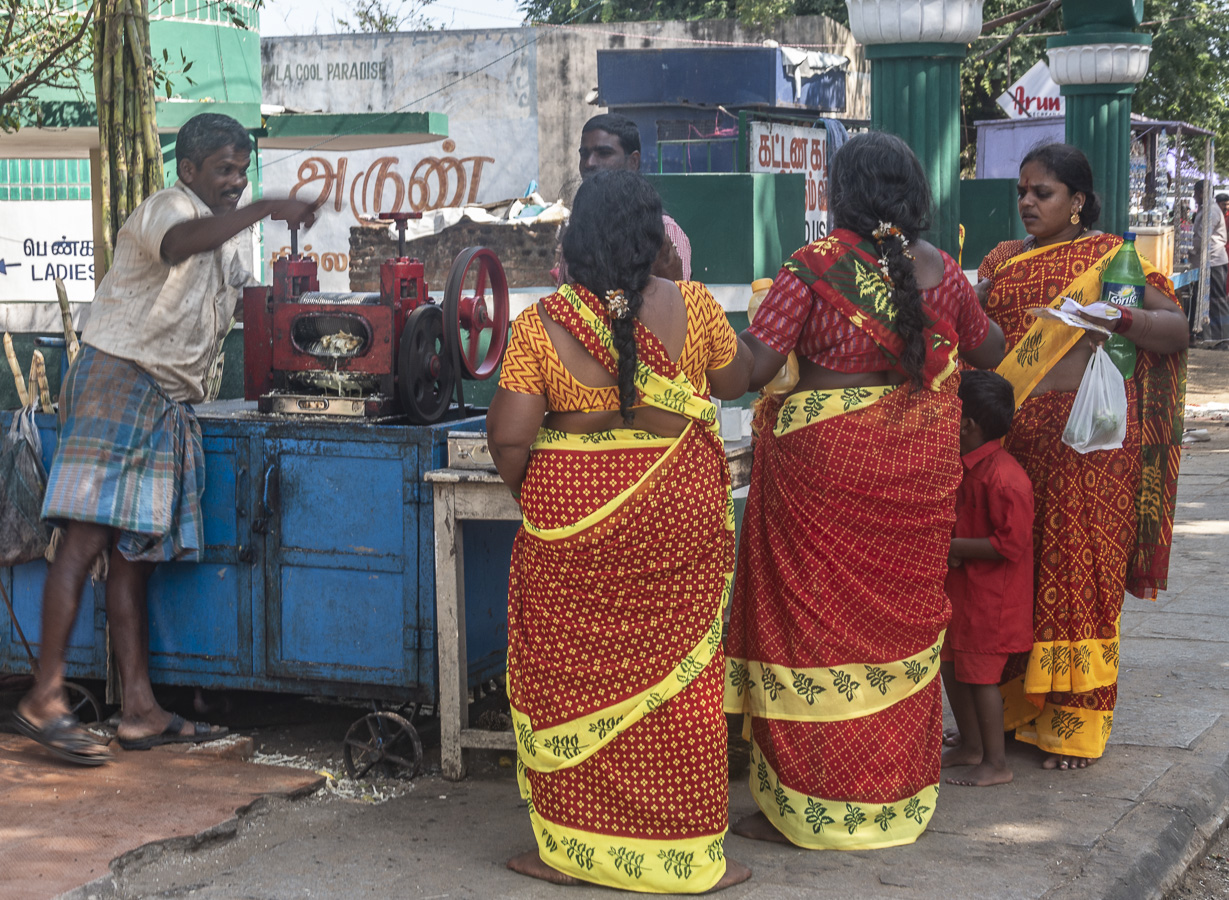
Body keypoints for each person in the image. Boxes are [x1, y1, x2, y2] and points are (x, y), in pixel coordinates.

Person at [724, 131, 1005, 849]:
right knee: (898, 621)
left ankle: (805, 800)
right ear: (913, 194)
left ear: (841, 195)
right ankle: (889, 795)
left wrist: (699, 332)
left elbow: (756, 365)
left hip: (823, 467)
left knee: (811, 624)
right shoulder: (941, 270)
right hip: (913, 465)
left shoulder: (814, 267)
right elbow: (991, 352)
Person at [13, 113, 319, 765]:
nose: (235, 183)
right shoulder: (167, 208)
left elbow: (246, 293)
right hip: (118, 378)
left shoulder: (228, 243)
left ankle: (140, 712)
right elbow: (180, 244)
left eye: (243, 171)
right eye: (224, 171)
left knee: (133, 559)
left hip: (164, 398)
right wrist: (266, 206)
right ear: (189, 171)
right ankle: (44, 696)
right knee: (85, 540)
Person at [488, 169, 753, 892]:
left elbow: (510, 440)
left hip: (575, 524)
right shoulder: (694, 307)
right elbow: (733, 385)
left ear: (574, 244)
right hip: (681, 519)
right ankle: (689, 852)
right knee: (683, 679)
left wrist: (543, 502)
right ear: (652, 241)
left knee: (571, 675)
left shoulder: (540, 325)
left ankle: (572, 850)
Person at [976, 142, 1187, 770]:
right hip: (1011, 439)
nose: (1027, 203)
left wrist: (1117, 321)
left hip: (1086, 442)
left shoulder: (1112, 258)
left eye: (1042, 193)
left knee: (1077, 572)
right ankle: (1011, 711)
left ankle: (1074, 721)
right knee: (1014, 570)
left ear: (1079, 202)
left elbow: (1175, 328)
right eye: (1022, 191)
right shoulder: (1001, 261)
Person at [940, 369, 1034, 788]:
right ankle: (972, 746)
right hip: (963, 595)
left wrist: (957, 548)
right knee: (950, 668)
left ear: (967, 425)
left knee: (980, 679)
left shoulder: (1004, 477)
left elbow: (1010, 544)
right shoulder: (966, 467)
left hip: (991, 602)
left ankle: (996, 762)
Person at [578, 113, 691, 281]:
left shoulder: (665, 233)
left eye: (603, 153)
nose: (589, 163)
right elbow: (564, 303)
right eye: (584, 154)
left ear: (633, 162)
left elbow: (680, 304)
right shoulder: (577, 232)